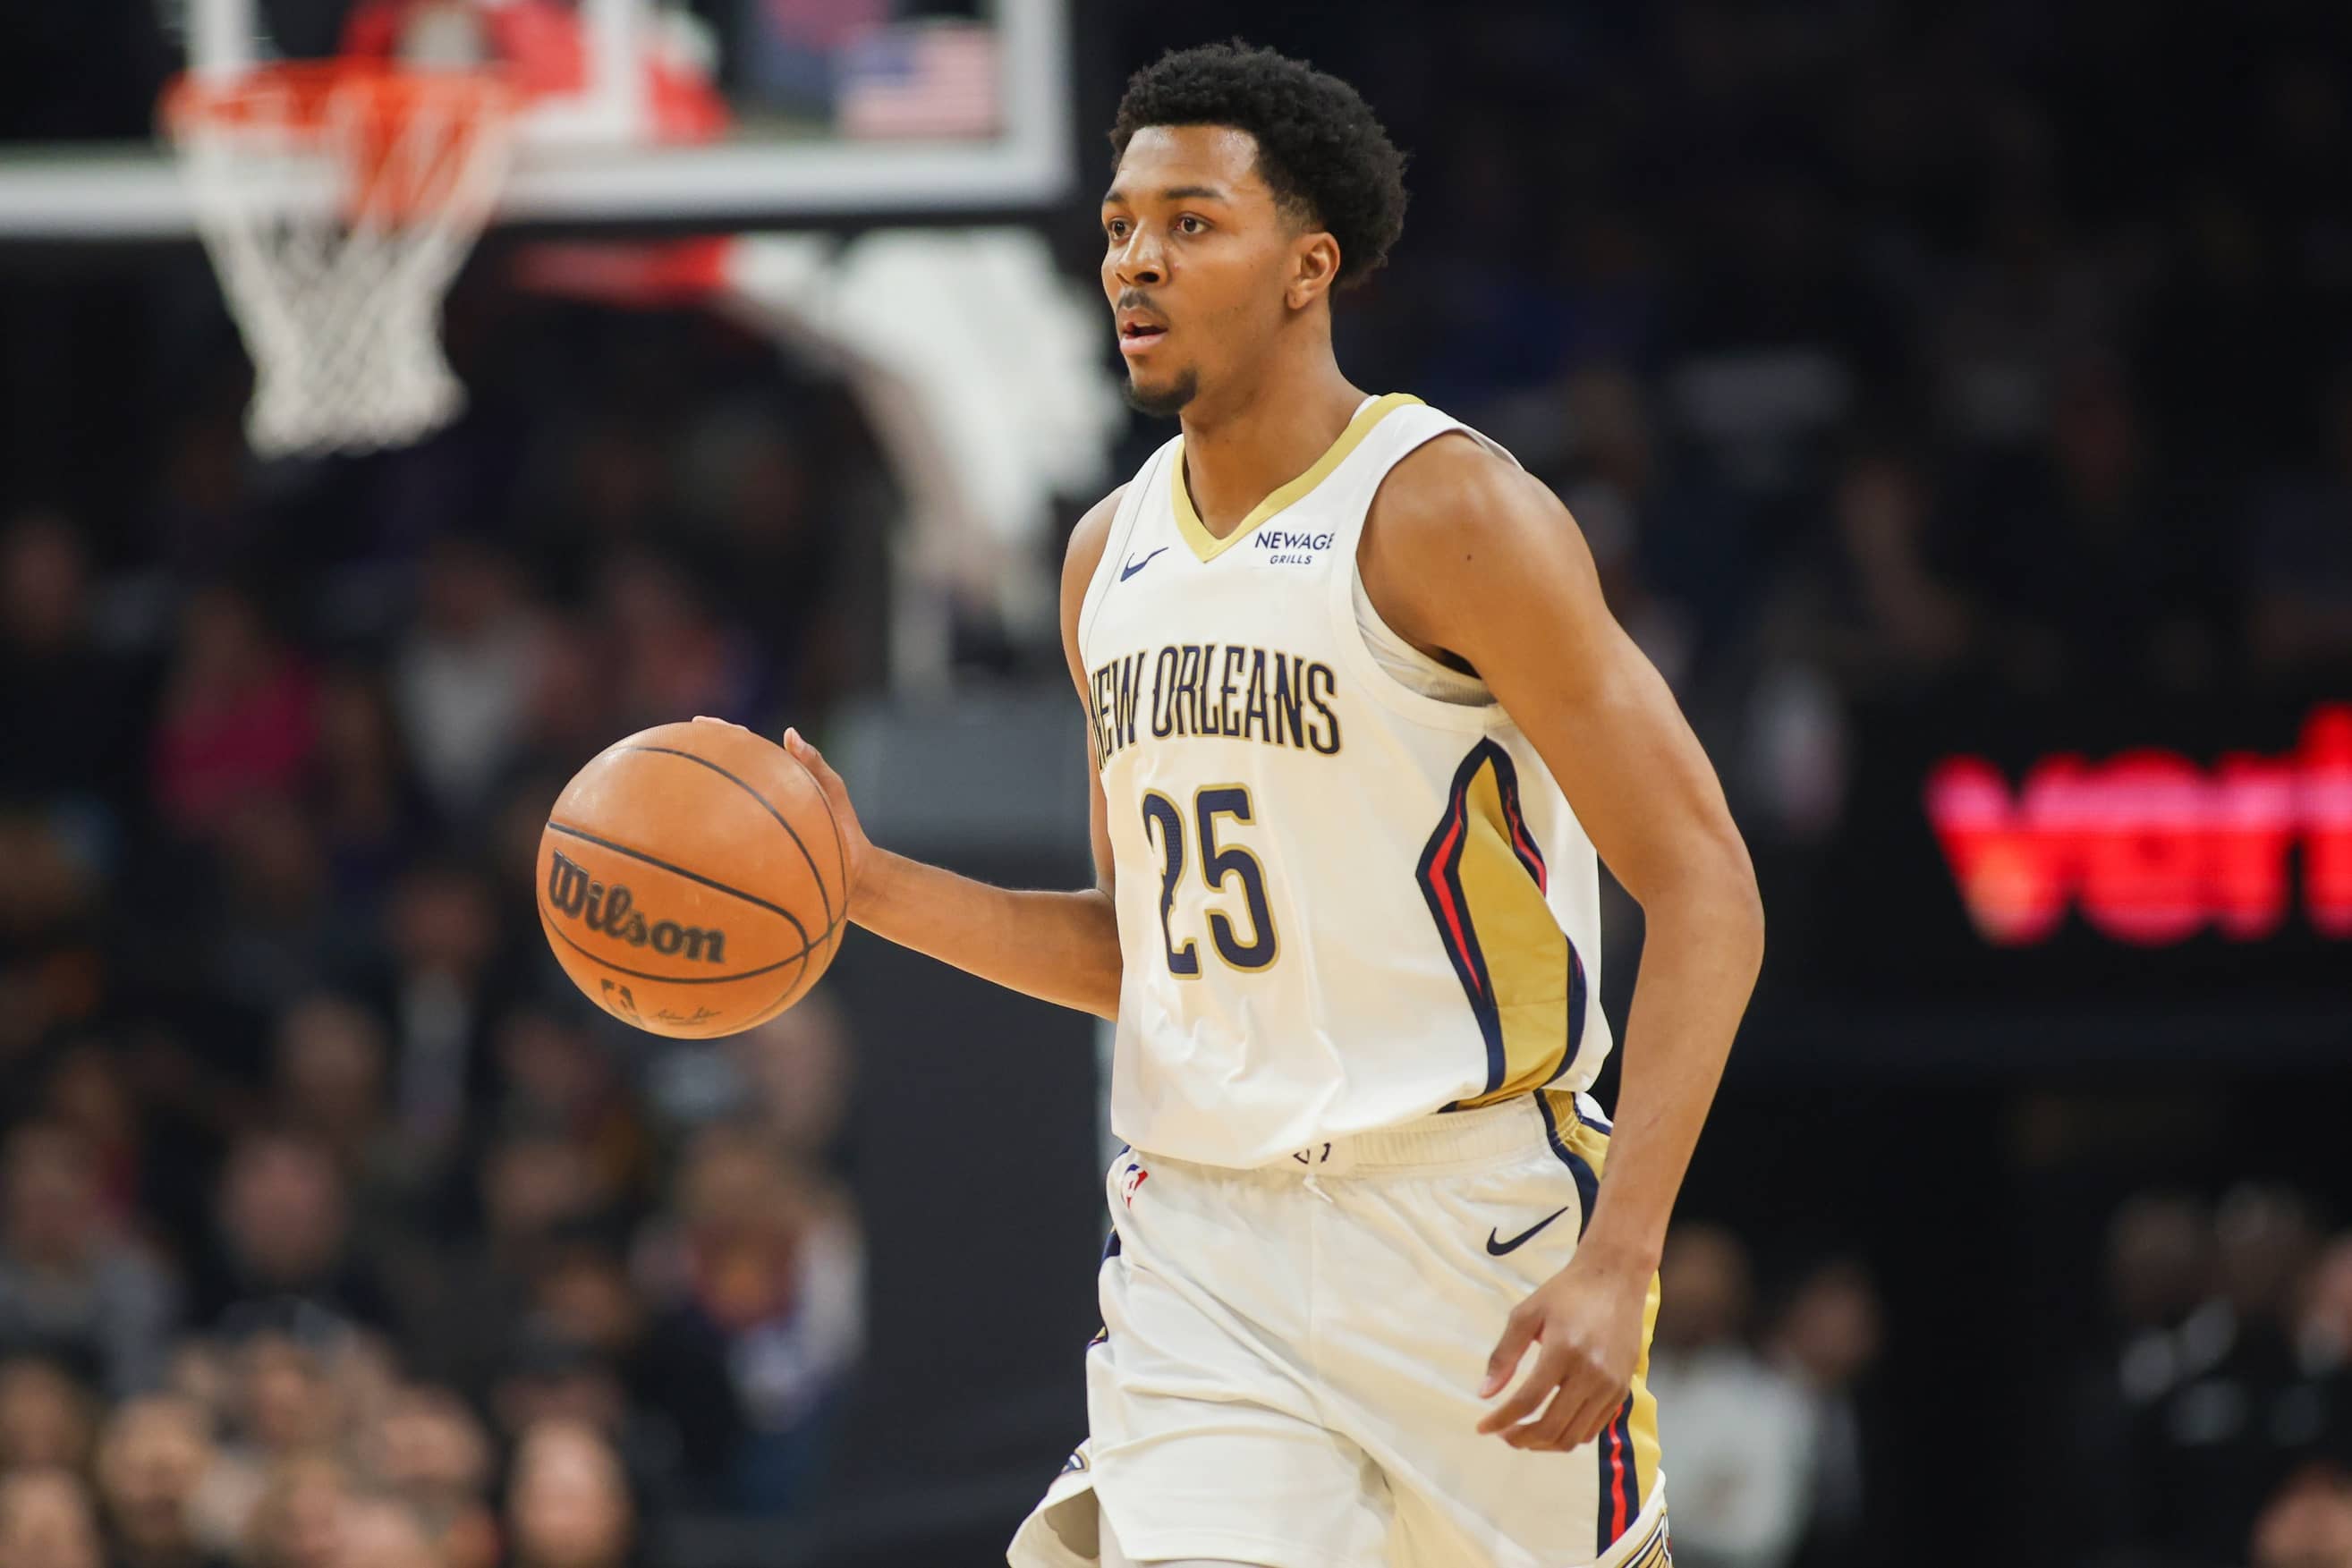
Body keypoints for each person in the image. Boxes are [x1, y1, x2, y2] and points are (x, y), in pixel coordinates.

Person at [761, 41, 1763, 1568]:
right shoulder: (1106, 557)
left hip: (1464, 1222)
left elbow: (1701, 883)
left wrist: (1620, 1256)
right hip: (1201, 1241)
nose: (1134, 261)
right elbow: (1140, 955)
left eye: (1189, 222)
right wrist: (861, 881)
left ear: (1309, 266)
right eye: (1117, 227)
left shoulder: (1444, 508)